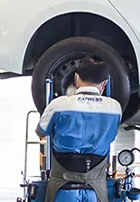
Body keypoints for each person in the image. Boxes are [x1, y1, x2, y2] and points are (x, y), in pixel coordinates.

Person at [35, 61, 123, 202]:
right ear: (105, 83)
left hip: (62, 188)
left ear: (76, 77)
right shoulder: (114, 108)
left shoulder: (59, 105)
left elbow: (40, 132)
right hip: (96, 190)